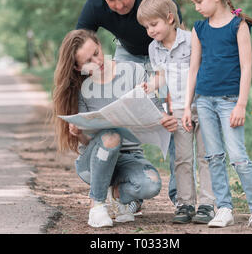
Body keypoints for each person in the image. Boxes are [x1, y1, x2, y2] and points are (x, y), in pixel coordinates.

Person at [76, 0, 182, 208]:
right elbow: (78, 46)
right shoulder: (95, 3)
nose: (118, 5)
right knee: (120, 114)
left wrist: (174, 82)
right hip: (127, 53)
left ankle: (181, 198)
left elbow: (180, 41)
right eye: (111, 0)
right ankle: (127, 186)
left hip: (164, 54)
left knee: (173, 120)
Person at [52, 29, 178, 228]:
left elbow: (155, 111)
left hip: (130, 156)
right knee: (111, 136)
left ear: (99, 44)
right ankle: (97, 205)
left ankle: (118, 193)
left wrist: (165, 120)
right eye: (88, 62)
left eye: (96, 52)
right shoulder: (80, 89)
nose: (97, 61)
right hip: (95, 160)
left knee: (151, 184)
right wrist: (78, 133)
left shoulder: (134, 71)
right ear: (77, 68)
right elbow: (85, 142)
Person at [183, 0, 252, 228]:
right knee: (214, 157)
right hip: (204, 101)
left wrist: (241, 103)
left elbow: (247, 67)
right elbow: (193, 69)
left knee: (238, 156)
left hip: (230, 101)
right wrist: (188, 106)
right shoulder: (199, 28)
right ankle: (224, 208)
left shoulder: (238, 25)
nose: (196, 7)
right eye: (194, 3)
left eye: (199, 1)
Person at [136, 0, 216, 224]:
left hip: (202, 104)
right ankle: (185, 203)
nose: (150, 31)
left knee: (206, 156)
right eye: (146, 27)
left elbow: (203, 69)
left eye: (153, 24)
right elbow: (161, 77)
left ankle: (207, 203)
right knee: (182, 158)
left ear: (170, 18)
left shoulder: (192, 39)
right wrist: (150, 85)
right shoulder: (154, 48)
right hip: (178, 109)